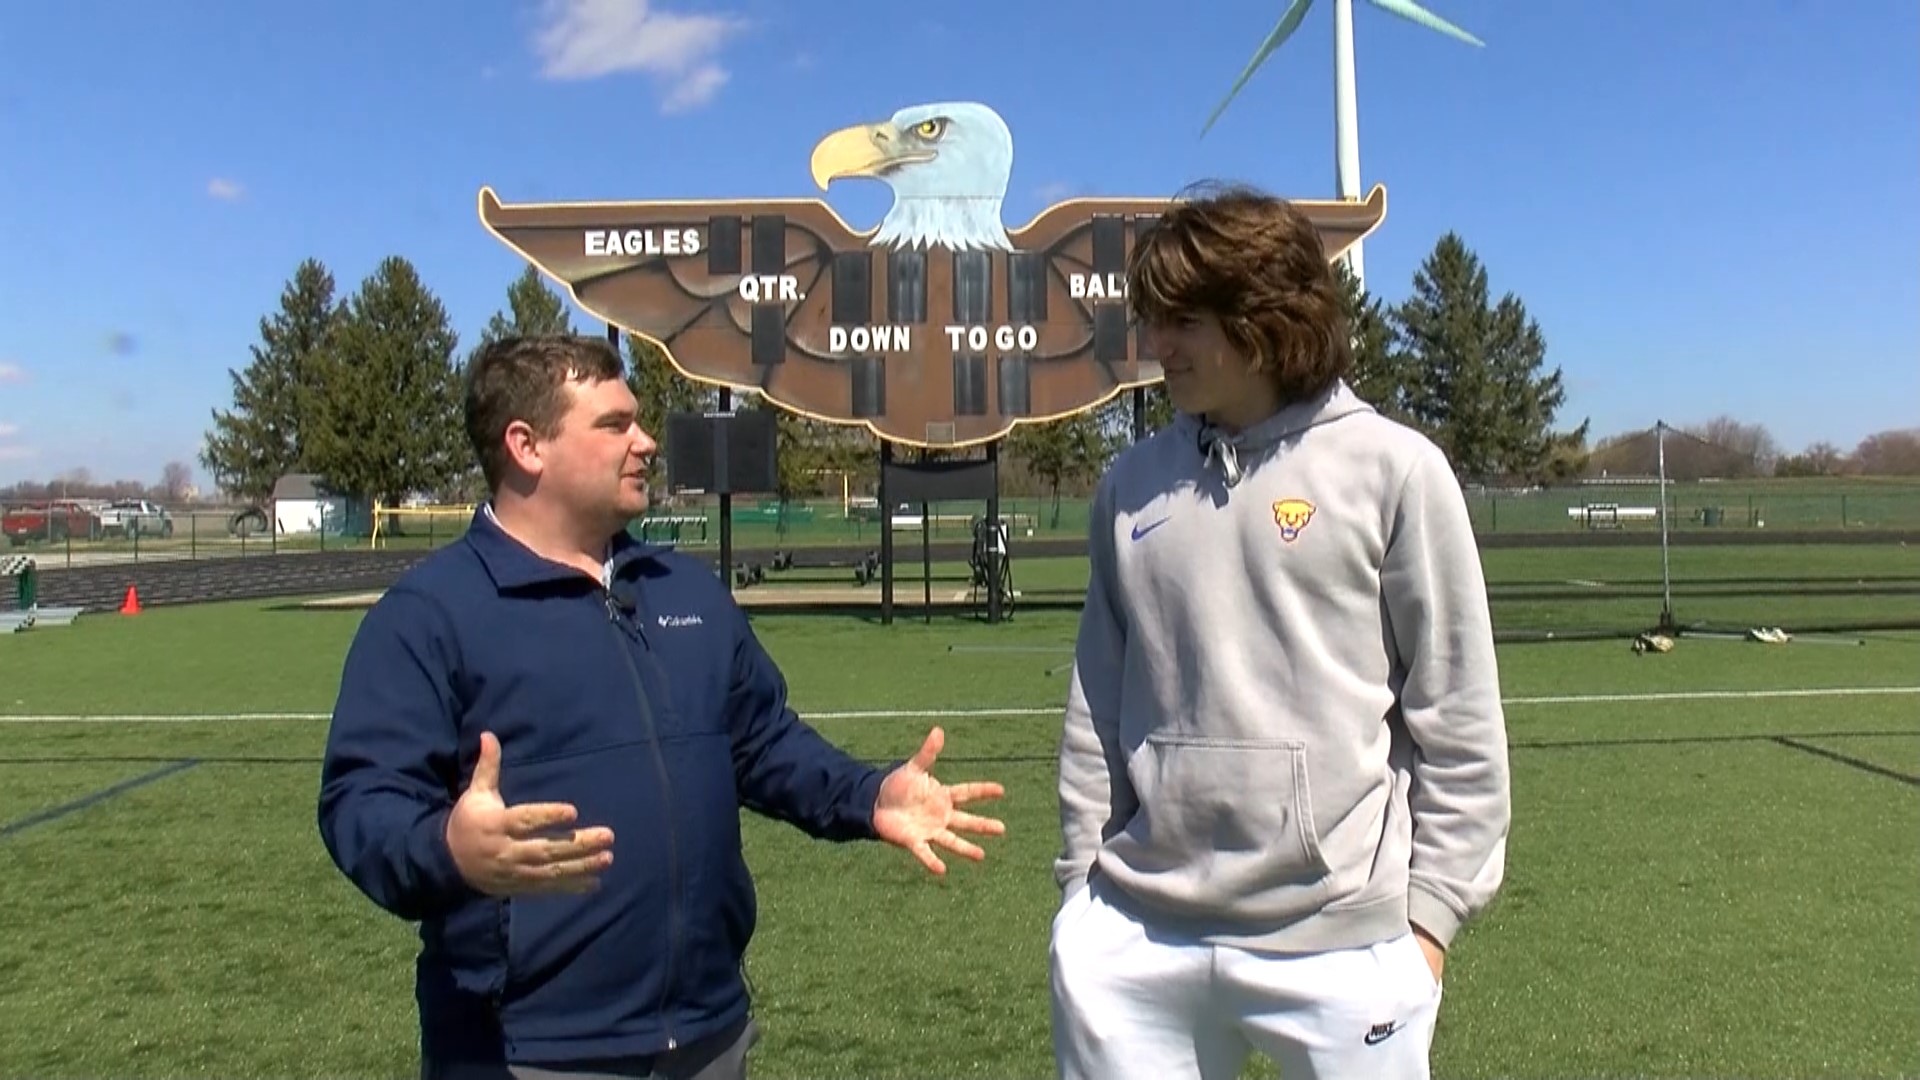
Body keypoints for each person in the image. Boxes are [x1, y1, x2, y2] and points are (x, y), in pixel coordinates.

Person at [317, 334, 1006, 1080]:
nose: (645, 442)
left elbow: (763, 742)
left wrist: (869, 794)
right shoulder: (430, 614)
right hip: (528, 1054)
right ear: (526, 446)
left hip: (708, 1038)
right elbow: (362, 804)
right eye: (614, 425)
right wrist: (449, 850)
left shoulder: (684, 591)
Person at [1049, 182, 1511, 1080]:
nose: (1158, 344)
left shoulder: (1396, 471)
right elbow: (1094, 712)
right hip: (1137, 940)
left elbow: (1458, 719)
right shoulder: (1129, 487)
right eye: (1154, 317)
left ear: (1263, 317)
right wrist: (1080, 899)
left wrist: (1427, 929)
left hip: (1345, 950)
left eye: (1184, 319)